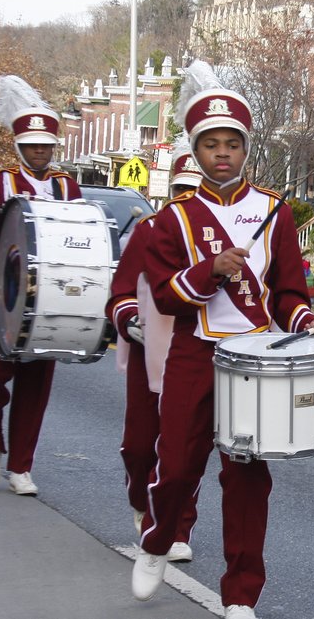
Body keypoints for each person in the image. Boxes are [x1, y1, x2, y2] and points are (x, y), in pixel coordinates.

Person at [131, 61, 314, 619]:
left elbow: (289, 292)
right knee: (175, 467)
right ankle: (155, 541)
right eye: (211, 144)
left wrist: (305, 324)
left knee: (247, 477)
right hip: (196, 353)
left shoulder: (275, 211)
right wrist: (211, 270)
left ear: (246, 149)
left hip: (256, 357)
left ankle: (242, 591)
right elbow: (168, 298)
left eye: (233, 144)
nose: (223, 154)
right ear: (195, 152)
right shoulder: (173, 219)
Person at [0, 75, 80, 496]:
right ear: (18, 146)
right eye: (32, 145)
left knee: (36, 385)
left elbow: (81, 237)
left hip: (51, 298)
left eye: (46, 146)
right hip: (1, 295)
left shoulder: (66, 186)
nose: (40, 152)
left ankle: (21, 465)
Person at [106, 134, 202, 562]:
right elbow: (122, 291)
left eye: (195, 190)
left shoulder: (217, 234)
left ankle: (177, 527)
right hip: (149, 352)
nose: (187, 198)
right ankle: (141, 500)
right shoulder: (149, 230)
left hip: (195, 352)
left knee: (185, 447)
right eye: (181, 190)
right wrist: (130, 319)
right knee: (140, 446)